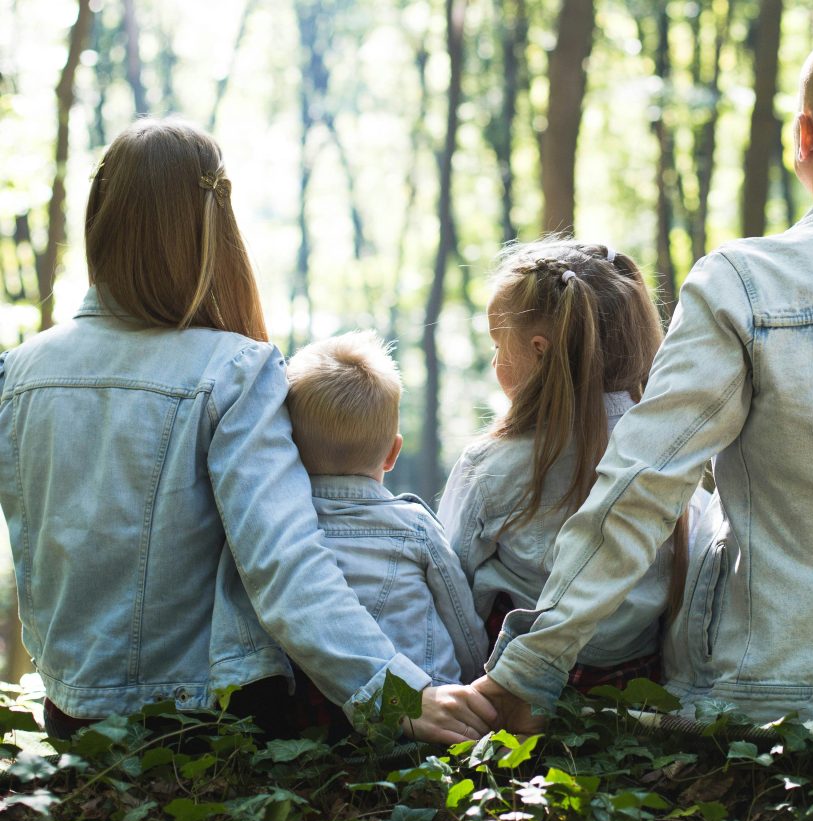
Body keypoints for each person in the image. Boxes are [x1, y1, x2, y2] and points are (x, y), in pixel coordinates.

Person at [473, 28, 813, 729]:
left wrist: (530, 668)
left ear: (803, 136)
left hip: (773, 698)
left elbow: (642, 484)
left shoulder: (743, 283)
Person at [0, 118, 495, 744]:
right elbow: (284, 563)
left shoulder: (17, 372)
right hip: (202, 724)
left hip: (71, 718)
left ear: (100, 217)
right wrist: (397, 694)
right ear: (212, 228)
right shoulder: (234, 370)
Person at [438, 240, 710, 692]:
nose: (493, 361)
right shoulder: (671, 457)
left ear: (539, 351)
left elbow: (451, 585)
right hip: (637, 688)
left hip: (511, 689)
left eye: (498, 345)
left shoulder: (490, 465)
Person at [284, 330, 487, 687]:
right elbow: (462, 623)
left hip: (321, 710)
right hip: (427, 702)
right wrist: (474, 679)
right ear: (393, 454)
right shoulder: (415, 527)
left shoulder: (280, 529)